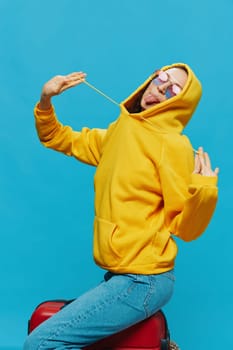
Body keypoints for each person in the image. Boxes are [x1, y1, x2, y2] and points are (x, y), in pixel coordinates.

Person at [24, 63, 219, 350]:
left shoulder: (172, 145)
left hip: (144, 280)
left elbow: (185, 228)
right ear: (150, 79)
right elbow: (59, 138)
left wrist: (203, 191)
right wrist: (45, 101)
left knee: (42, 343)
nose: (161, 89)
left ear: (179, 104)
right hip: (120, 275)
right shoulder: (120, 131)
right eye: (161, 79)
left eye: (173, 90)